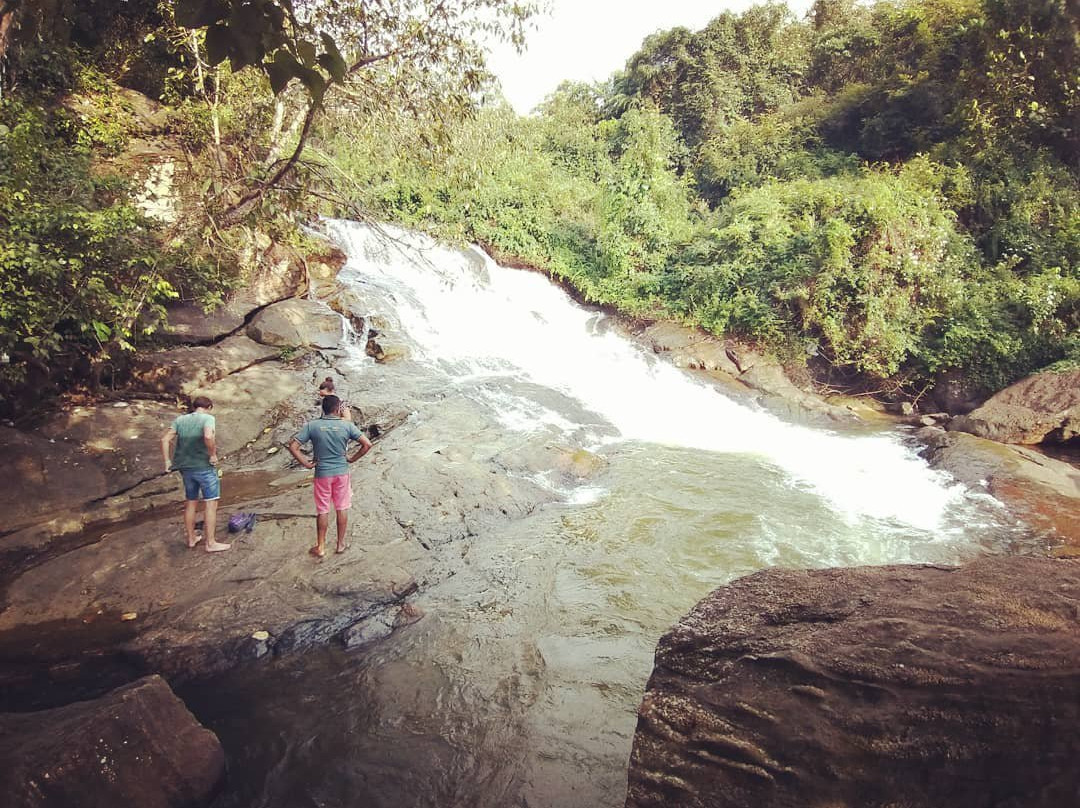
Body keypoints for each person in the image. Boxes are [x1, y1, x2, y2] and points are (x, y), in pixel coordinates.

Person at [288, 394, 372, 558]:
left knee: (323, 510)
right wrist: (352, 459)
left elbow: (293, 446)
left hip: (322, 473)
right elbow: (367, 444)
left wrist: (306, 464)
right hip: (341, 472)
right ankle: (340, 545)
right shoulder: (346, 425)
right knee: (342, 507)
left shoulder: (313, 426)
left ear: (323, 409)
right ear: (337, 409)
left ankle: (320, 547)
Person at [160, 396, 231, 553]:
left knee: (191, 502)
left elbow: (165, 439)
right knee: (211, 502)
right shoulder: (208, 418)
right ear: (209, 407)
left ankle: (192, 538)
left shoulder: (180, 420)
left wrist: (167, 461)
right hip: (203, 466)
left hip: (185, 468)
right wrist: (212, 454)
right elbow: (208, 436)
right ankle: (210, 543)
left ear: (194, 407)